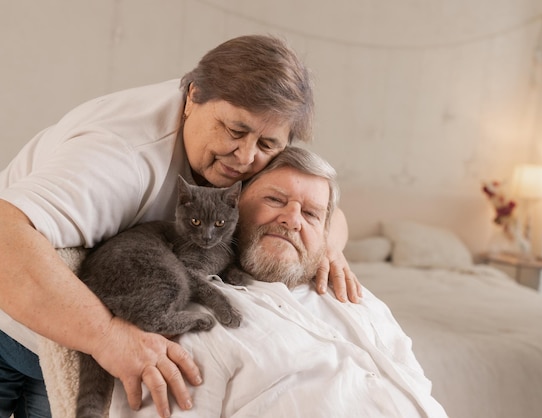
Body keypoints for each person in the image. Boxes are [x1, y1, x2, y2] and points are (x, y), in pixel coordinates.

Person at [0, 35, 361, 418]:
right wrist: (108, 337)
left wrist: (327, 246)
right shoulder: (120, 156)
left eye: (267, 144)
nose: (246, 157)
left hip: (62, 347)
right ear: (192, 97)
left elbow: (323, 206)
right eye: (234, 132)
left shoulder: (257, 136)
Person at [108, 146, 448, 418]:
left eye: (312, 214)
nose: (292, 220)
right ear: (234, 206)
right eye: (275, 200)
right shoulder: (201, 321)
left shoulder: (361, 300)